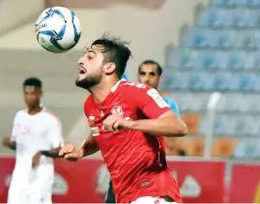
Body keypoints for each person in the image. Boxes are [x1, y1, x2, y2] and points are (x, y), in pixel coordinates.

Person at [59, 35, 188, 204]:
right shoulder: (90, 105)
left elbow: (178, 127)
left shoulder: (135, 92)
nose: (81, 61)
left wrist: (129, 123)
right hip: (125, 197)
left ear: (109, 67)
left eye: (90, 56)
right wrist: (82, 151)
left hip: (153, 191)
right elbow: (100, 134)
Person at [105, 60, 182, 203]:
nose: (146, 78)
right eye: (143, 74)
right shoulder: (127, 100)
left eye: (152, 74)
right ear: (138, 76)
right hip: (122, 172)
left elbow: (171, 144)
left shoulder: (167, 106)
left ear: (160, 78)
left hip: (148, 173)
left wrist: (143, 123)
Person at [2, 77, 64, 204]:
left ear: (40, 94)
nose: (29, 97)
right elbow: (19, 145)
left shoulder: (50, 119)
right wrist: (10, 143)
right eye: (26, 93)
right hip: (20, 175)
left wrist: (42, 153)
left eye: (33, 93)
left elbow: (59, 150)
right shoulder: (19, 116)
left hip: (40, 176)